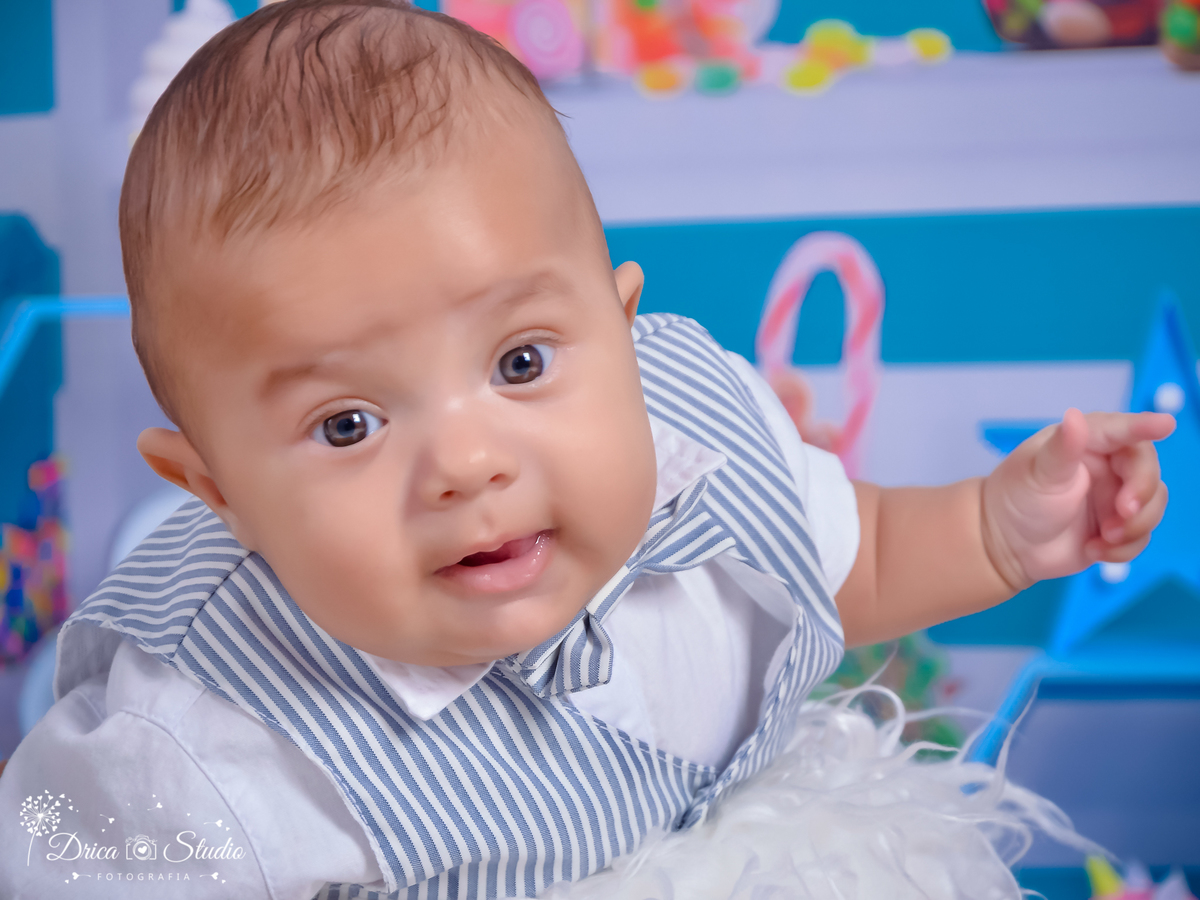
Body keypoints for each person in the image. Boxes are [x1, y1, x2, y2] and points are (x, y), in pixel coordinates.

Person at [0, 1, 1173, 897]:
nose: (467, 464)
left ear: (620, 330)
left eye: (520, 363)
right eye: (348, 425)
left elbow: (847, 565)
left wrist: (991, 528)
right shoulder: (202, 740)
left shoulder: (695, 447)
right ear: (218, 495)